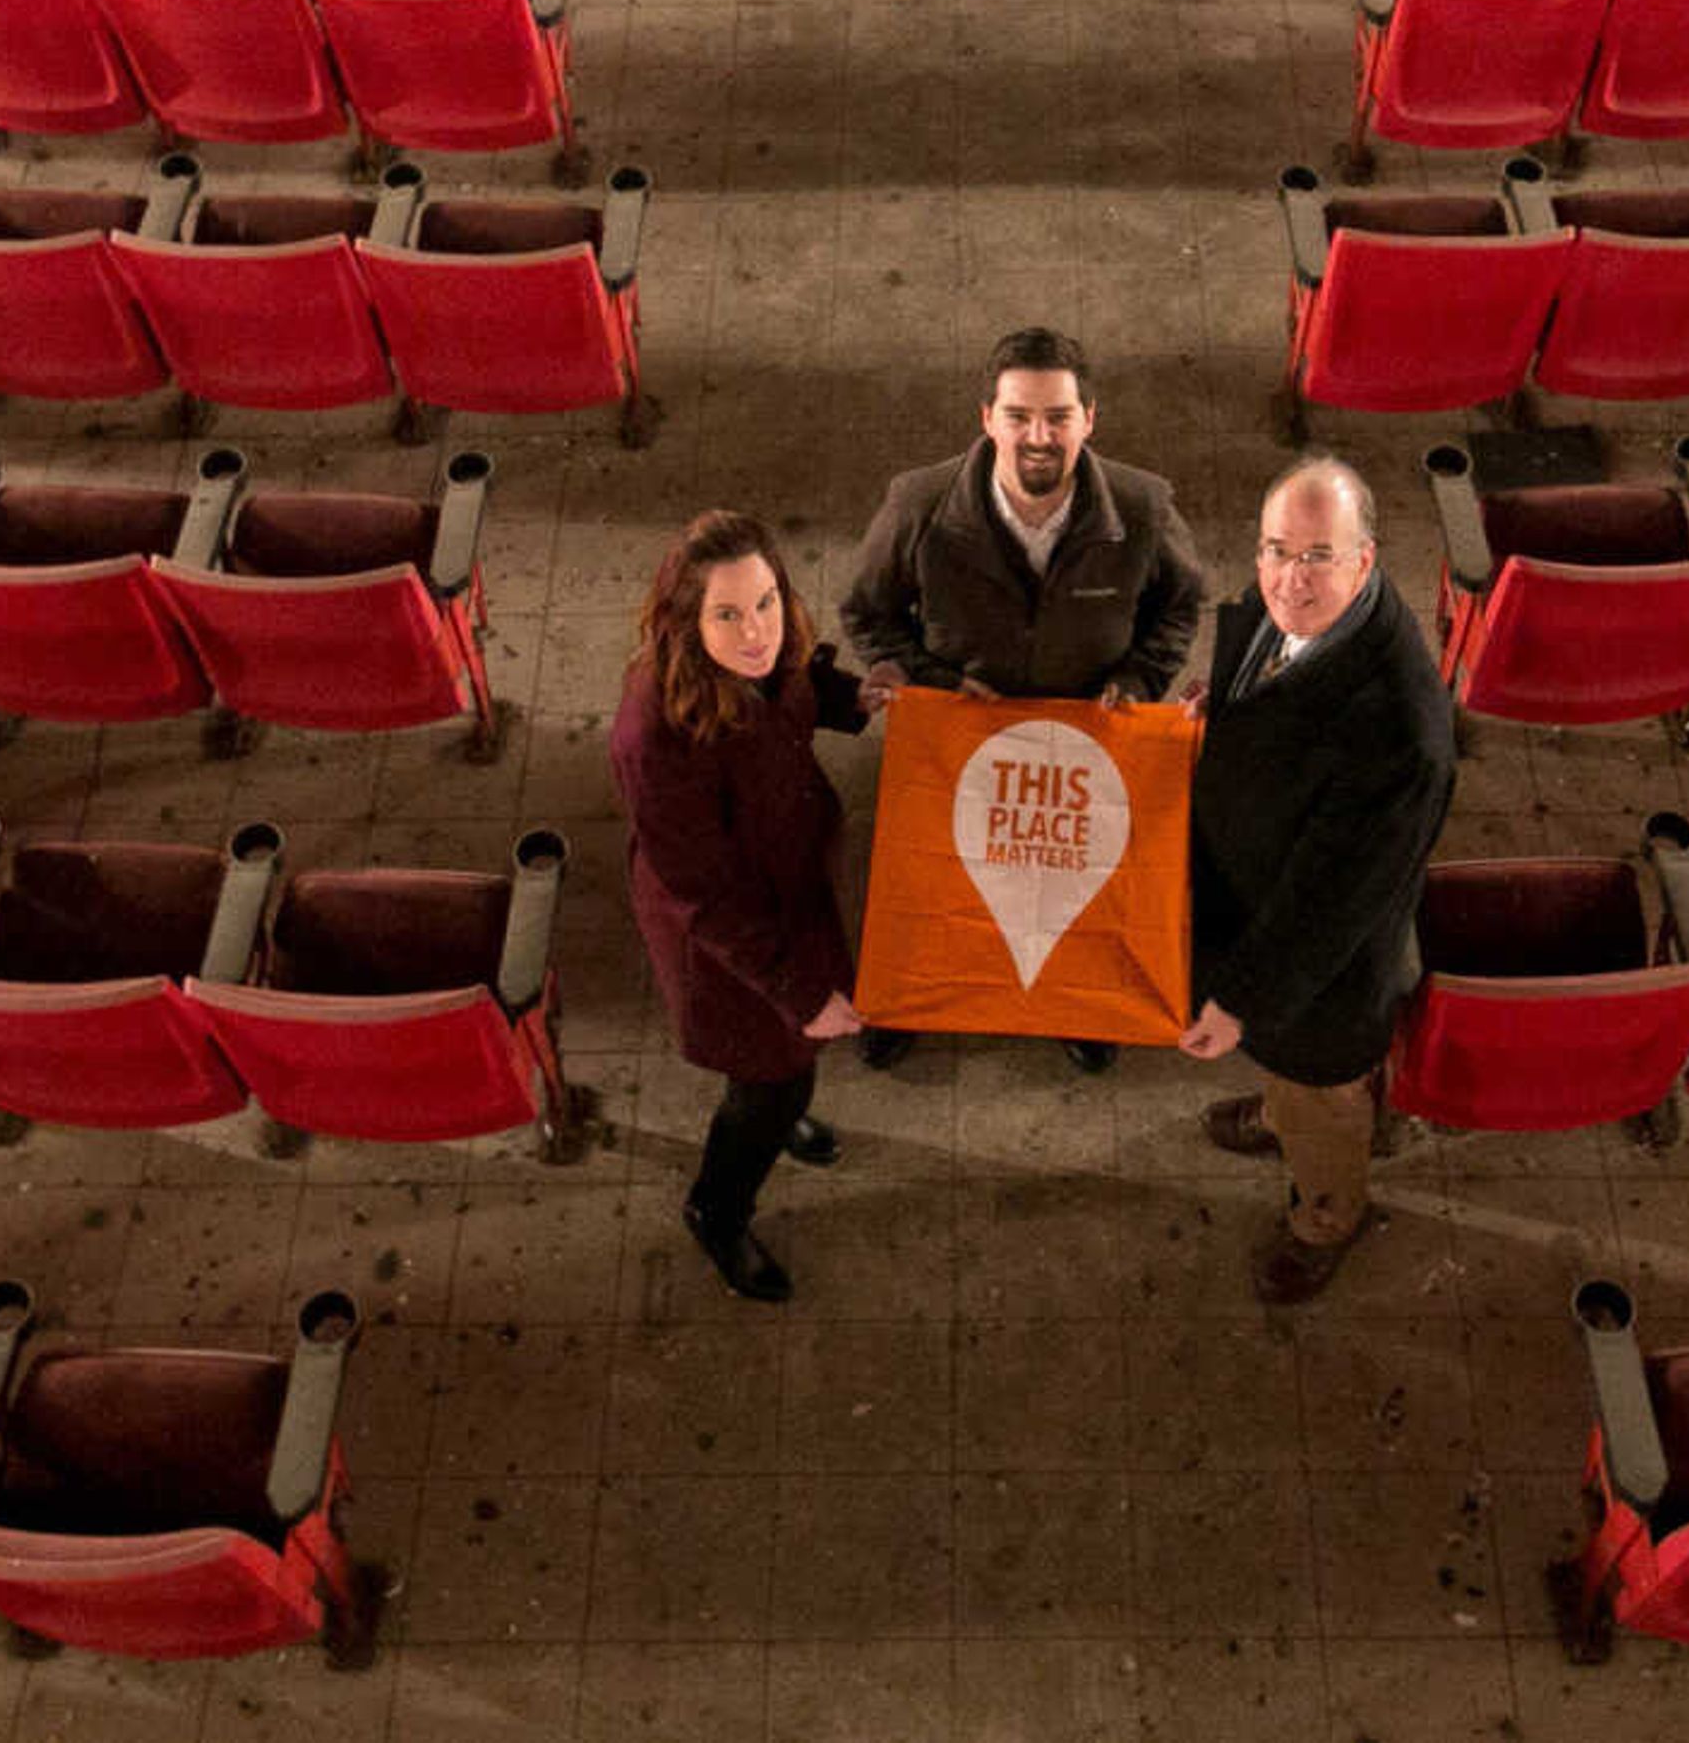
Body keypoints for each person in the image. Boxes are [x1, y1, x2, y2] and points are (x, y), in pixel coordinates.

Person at [840, 325, 1208, 1073]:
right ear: (987, 419)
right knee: (942, 876)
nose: (1038, 436)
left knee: (1073, 877)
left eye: (1058, 416)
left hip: (1084, 740)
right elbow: (865, 613)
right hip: (959, 735)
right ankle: (911, 998)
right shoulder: (919, 507)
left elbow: (1182, 604)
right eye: (1018, 416)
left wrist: (1139, 682)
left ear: (1089, 420)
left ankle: (1077, 1001)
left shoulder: (1143, 510)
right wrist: (933, 683)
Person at [1178, 455, 1459, 1306]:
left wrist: (1237, 1003)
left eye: (1317, 557)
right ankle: (1280, 1116)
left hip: (1320, 987)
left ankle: (1326, 1215)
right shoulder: (1309, 613)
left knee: (1325, 1104)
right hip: (1265, 916)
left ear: (1366, 560)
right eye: (1274, 551)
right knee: (1293, 1088)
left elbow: (1327, 909)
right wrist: (1217, 712)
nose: (1288, 580)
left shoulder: (1398, 734)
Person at [610, 510, 882, 1304]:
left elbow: (796, 682)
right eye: (726, 613)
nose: (756, 630)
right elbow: (706, 897)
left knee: (782, 1063)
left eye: (765, 601)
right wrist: (801, 995)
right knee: (769, 1081)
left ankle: (780, 1100)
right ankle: (718, 1209)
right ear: (686, 620)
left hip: (784, 891)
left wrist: (854, 697)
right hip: (728, 942)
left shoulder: (767, 651)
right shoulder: (652, 738)